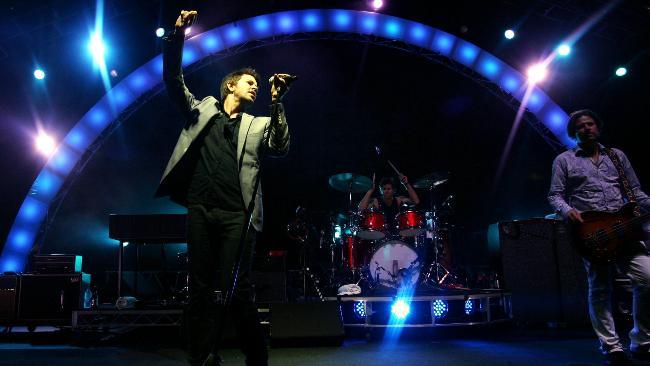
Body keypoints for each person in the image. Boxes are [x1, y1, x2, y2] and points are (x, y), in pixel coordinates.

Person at [154, 10, 292, 366]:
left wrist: (277, 103)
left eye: (258, 86)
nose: (256, 87)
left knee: (237, 291)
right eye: (250, 82)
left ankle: (256, 356)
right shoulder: (201, 110)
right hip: (201, 208)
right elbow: (172, 79)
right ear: (231, 85)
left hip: (238, 216)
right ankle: (199, 357)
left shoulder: (258, 123)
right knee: (199, 289)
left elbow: (279, 146)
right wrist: (177, 37)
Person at [548, 109, 650, 365]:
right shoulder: (564, 160)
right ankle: (611, 346)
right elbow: (555, 195)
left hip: (624, 228)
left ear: (598, 127)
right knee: (600, 287)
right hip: (593, 231)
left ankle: (642, 341)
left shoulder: (617, 156)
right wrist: (567, 210)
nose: (586, 128)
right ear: (574, 133)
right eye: (580, 126)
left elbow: (634, 190)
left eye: (590, 124)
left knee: (647, 278)